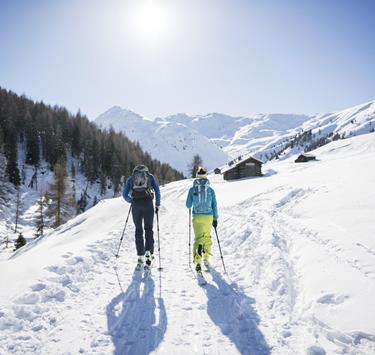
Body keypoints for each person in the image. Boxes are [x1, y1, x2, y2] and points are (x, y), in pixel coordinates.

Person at [123, 164, 161, 270]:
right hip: (148, 204)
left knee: (138, 230)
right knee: (149, 229)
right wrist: (157, 204)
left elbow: (124, 195)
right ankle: (149, 252)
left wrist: (132, 201)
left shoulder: (131, 179)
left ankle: (140, 257)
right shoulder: (150, 177)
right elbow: (157, 191)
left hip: (136, 206)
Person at [186, 167, 218, 272]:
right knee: (207, 238)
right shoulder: (211, 190)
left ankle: (198, 262)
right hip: (209, 217)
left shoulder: (192, 189)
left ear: (197, 176)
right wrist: (215, 218)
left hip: (197, 217)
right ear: (205, 176)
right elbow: (215, 205)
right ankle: (206, 259)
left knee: (198, 238)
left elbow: (188, 205)